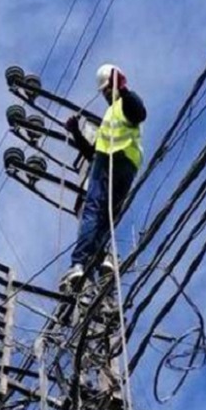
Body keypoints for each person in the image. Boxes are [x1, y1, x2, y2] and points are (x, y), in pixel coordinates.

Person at [60, 63, 147, 290]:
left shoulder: (123, 105)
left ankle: (78, 263)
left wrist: (124, 90)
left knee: (92, 210)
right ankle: (104, 257)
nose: (106, 95)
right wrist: (77, 132)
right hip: (124, 166)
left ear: (115, 85)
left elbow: (140, 112)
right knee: (106, 218)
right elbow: (92, 154)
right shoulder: (111, 115)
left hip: (113, 162)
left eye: (108, 89)